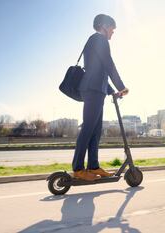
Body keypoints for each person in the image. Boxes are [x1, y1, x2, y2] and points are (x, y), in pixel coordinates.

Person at [72, 14, 129, 181]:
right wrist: (121, 86)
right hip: (92, 90)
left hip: (97, 89)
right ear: (104, 26)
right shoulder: (99, 39)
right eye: (112, 28)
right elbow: (108, 64)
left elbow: (99, 71)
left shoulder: (95, 41)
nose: (113, 32)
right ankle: (78, 169)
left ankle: (93, 166)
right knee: (88, 128)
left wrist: (112, 91)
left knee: (95, 131)